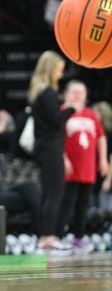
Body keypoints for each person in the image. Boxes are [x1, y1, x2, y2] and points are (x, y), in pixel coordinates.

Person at [28, 51, 72, 251]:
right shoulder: (47, 93)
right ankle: (48, 236)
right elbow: (56, 121)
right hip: (50, 148)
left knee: (49, 193)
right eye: (59, 70)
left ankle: (45, 236)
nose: (61, 75)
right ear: (50, 69)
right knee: (54, 192)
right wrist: (71, 109)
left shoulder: (40, 92)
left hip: (46, 148)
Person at [57, 81, 109, 248]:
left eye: (81, 92)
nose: (78, 95)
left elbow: (101, 137)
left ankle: (78, 237)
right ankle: (58, 236)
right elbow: (56, 139)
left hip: (88, 168)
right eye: (74, 92)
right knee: (66, 203)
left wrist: (103, 159)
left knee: (83, 205)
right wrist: (63, 159)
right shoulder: (62, 113)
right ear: (66, 93)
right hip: (69, 168)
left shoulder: (91, 115)